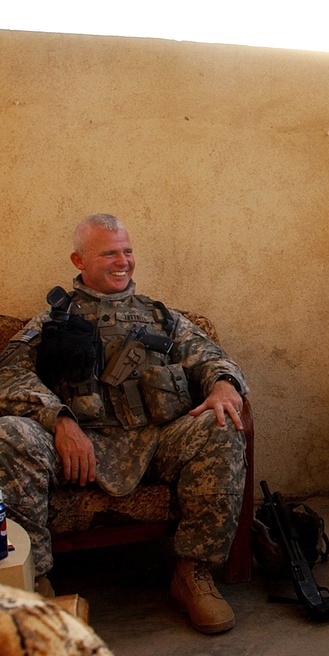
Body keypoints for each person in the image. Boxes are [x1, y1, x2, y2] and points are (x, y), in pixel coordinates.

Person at [0, 214, 249, 635]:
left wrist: (225, 385)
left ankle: (193, 572)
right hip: (75, 453)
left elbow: (212, 358)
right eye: (109, 253)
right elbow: (9, 377)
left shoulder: (163, 317)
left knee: (220, 424)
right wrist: (59, 419)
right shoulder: (51, 322)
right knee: (10, 433)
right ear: (79, 260)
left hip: (156, 443)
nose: (122, 262)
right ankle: (36, 581)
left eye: (127, 251)